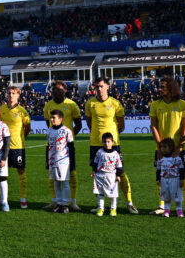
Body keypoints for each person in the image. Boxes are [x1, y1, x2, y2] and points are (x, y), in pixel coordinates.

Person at [85, 78, 133, 212]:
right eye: (97, 87)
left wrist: (113, 137)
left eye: (101, 86)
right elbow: (89, 122)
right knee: (97, 174)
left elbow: (121, 124)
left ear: (107, 86)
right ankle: (101, 205)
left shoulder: (115, 103)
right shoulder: (90, 103)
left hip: (113, 144)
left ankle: (129, 202)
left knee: (120, 172)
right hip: (95, 143)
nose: (99, 89)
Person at [148, 76, 185, 216]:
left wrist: (179, 147)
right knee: (161, 175)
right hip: (162, 148)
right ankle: (162, 206)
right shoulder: (155, 105)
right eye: (160, 86)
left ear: (171, 88)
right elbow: (153, 126)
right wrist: (159, 146)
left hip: (181, 147)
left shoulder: (183, 105)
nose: (160, 89)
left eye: (163, 87)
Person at [43, 81, 82, 211]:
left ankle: (73, 202)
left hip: (66, 148)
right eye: (54, 90)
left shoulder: (71, 104)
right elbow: (48, 123)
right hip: (53, 148)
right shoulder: (48, 105)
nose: (56, 92)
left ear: (65, 91)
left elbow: (79, 125)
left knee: (71, 175)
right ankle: (55, 201)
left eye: (59, 90)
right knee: (53, 177)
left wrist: (67, 138)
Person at [0, 86, 31, 209]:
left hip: (17, 146)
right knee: (1, 173)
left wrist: (20, 138)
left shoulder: (22, 111)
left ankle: (23, 199)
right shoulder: (1, 109)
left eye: (14, 93)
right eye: (9, 93)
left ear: (18, 95)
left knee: (21, 171)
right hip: (2, 147)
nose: (11, 95)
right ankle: (1, 198)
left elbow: (27, 128)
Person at [46, 109, 75, 213]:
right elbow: (48, 147)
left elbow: (71, 147)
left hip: (63, 160)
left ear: (60, 119)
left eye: (54, 117)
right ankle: (59, 203)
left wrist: (72, 163)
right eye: (51, 117)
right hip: (52, 160)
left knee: (65, 182)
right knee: (56, 182)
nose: (52, 119)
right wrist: (47, 161)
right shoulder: (49, 131)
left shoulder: (66, 131)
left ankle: (65, 205)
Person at [92, 132, 122, 217]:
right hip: (100, 175)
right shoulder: (99, 152)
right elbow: (95, 163)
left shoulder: (115, 154)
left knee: (113, 194)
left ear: (112, 142)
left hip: (111, 176)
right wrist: (94, 171)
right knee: (100, 193)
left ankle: (113, 209)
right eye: (105, 142)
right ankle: (101, 208)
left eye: (108, 142)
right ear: (102, 142)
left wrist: (118, 175)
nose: (106, 144)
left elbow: (119, 166)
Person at [155, 138, 185, 218]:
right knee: (166, 196)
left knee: (177, 196)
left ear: (171, 148)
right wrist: (158, 179)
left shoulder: (177, 158)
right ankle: (167, 210)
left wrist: (181, 179)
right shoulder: (161, 159)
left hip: (175, 179)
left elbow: (181, 169)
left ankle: (179, 210)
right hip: (164, 180)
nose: (162, 149)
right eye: (161, 147)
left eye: (164, 147)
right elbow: (158, 170)